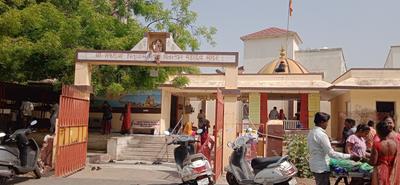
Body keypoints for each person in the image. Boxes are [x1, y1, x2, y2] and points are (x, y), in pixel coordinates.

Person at [308, 112, 360, 185]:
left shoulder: (312, 132)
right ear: (322, 122)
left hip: (316, 165)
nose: (327, 124)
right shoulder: (321, 134)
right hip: (321, 166)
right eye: (327, 122)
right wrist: (350, 156)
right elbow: (331, 153)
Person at [369, 121, 400, 185]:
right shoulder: (395, 143)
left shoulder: (377, 145)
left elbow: (373, 162)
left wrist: (365, 160)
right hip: (393, 172)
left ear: (378, 132)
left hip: (381, 171)